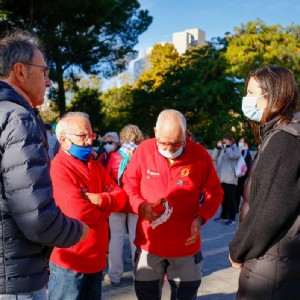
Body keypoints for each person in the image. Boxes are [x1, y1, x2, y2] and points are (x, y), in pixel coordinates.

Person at [0, 29, 89, 298]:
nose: (49, 82)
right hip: (15, 276)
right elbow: (36, 217)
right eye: (44, 72)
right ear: (20, 71)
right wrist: (77, 231)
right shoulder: (18, 119)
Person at [122, 109, 223, 300]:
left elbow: (215, 193)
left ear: (186, 135)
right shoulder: (144, 150)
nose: (169, 149)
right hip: (149, 245)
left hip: (185, 248)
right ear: (155, 132)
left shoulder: (199, 155)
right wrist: (140, 206)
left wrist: (201, 218)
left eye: (177, 143)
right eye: (164, 143)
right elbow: (128, 184)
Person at [229, 65, 300, 300]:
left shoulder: (284, 139)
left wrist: (238, 250)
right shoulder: (282, 134)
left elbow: (270, 210)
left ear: (275, 96)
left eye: (251, 93)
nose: (246, 100)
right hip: (274, 259)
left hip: (272, 263)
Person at [47, 112, 127, 299]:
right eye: (83, 136)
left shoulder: (95, 165)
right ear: (64, 140)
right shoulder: (59, 168)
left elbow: (121, 198)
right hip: (70, 263)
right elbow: (78, 212)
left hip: (96, 260)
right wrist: (106, 211)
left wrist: (100, 200)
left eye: (91, 135)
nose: (89, 141)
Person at [104, 124, 144, 286]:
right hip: (136, 201)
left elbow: (107, 179)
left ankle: (114, 274)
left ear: (122, 138)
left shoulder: (114, 157)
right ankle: (138, 275)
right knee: (136, 239)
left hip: (118, 201)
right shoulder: (142, 155)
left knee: (116, 238)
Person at [212, 134, 241, 225]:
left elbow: (233, 156)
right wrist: (217, 147)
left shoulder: (235, 149)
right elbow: (213, 157)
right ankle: (224, 216)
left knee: (231, 199)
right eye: (223, 141)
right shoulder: (223, 149)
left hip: (231, 179)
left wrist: (228, 147)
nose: (224, 143)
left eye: (226, 141)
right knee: (223, 198)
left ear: (231, 141)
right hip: (222, 178)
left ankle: (232, 218)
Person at [235, 136, 252, 212]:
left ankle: (237, 207)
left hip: (242, 174)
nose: (240, 143)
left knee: (239, 190)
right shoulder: (239, 150)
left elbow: (247, 163)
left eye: (242, 142)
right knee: (239, 190)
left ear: (246, 143)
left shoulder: (246, 152)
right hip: (237, 173)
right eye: (240, 141)